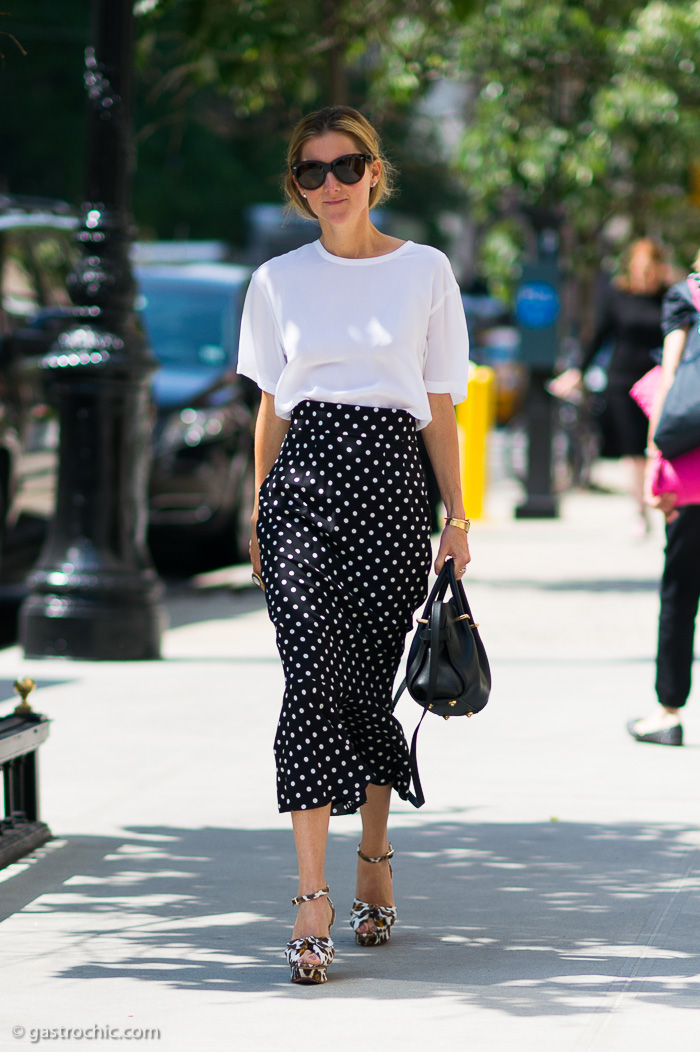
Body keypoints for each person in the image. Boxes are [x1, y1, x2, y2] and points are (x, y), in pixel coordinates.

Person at [237, 105, 471, 984]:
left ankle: (373, 854)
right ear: (296, 186)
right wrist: (258, 515)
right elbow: (272, 408)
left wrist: (457, 520)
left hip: (390, 487)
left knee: (367, 682)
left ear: (376, 172)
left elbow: (441, 405)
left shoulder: (427, 271)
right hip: (301, 489)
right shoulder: (276, 281)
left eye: (346, 166)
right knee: (309, 678)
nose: (329, 184)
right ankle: (310, 894)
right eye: (311, 171)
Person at [627, 249, 700, 747]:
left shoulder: (689, 295)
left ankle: (668, 711)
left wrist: (657, 456)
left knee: (681, 588)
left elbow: (671, 379)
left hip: (693, 470)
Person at [549, 238, 669, 535]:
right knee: (632, 450)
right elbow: (598, 337)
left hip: (660, 381)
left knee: (660, 445)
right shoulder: (617, 295)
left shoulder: (669, 298)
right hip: (622, 381)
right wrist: (577, 371)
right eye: (640, 268)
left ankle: (663, 504)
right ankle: (640, 511)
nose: (645, 275)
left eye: (650, 269)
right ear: (631, 267)